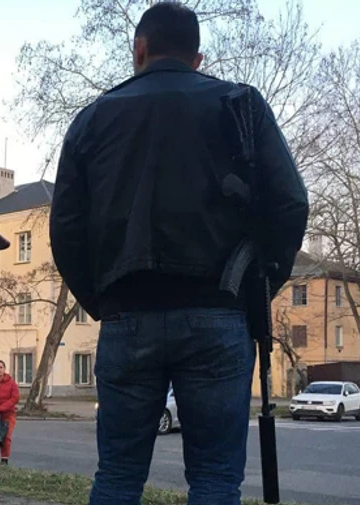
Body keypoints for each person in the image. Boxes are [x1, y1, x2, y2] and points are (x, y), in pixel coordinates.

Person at [50, 3, 309, 504]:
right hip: (219, 310)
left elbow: (65, 228)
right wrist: (256, 288)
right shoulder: (240, 105)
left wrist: (102, 299)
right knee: (215, 478)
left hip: (127, 311)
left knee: (117, 475)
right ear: (197, 58)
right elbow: (290, 203)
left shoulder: (94, 118)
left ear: (139, 50)